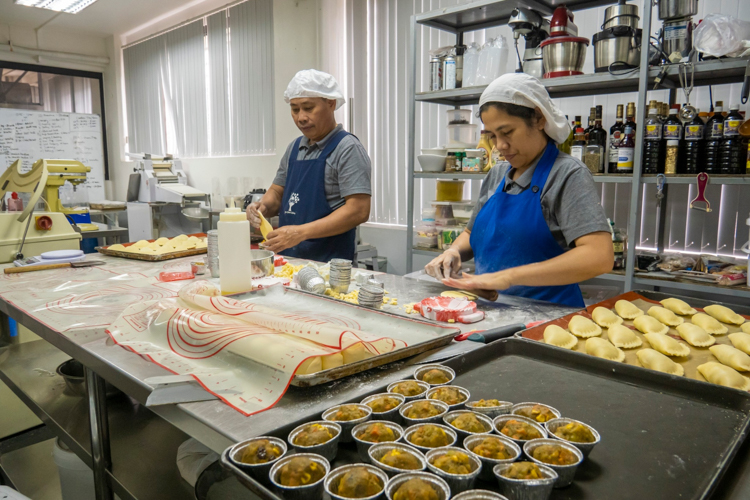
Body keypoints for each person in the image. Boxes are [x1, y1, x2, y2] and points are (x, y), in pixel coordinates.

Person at [425, 73, 613, 308]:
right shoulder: (497, 174)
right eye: (492, 136)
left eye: (507, 132)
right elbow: (472, 234)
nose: (500, 146)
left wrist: (507, 277)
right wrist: (453, 252)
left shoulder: (566, 174)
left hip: (548, 318)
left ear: (539, 119)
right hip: (492, 310)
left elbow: (599, 257)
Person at [247, 69, 371, 262]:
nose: (301, 117)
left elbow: (358, 210)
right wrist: (261, 207)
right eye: (295, 109)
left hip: (329, 265)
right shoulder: (295, 148)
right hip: (289, 262)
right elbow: (277, 193)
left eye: (308, 108)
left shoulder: (347, 148)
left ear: (330, 104)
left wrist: (300, 233)